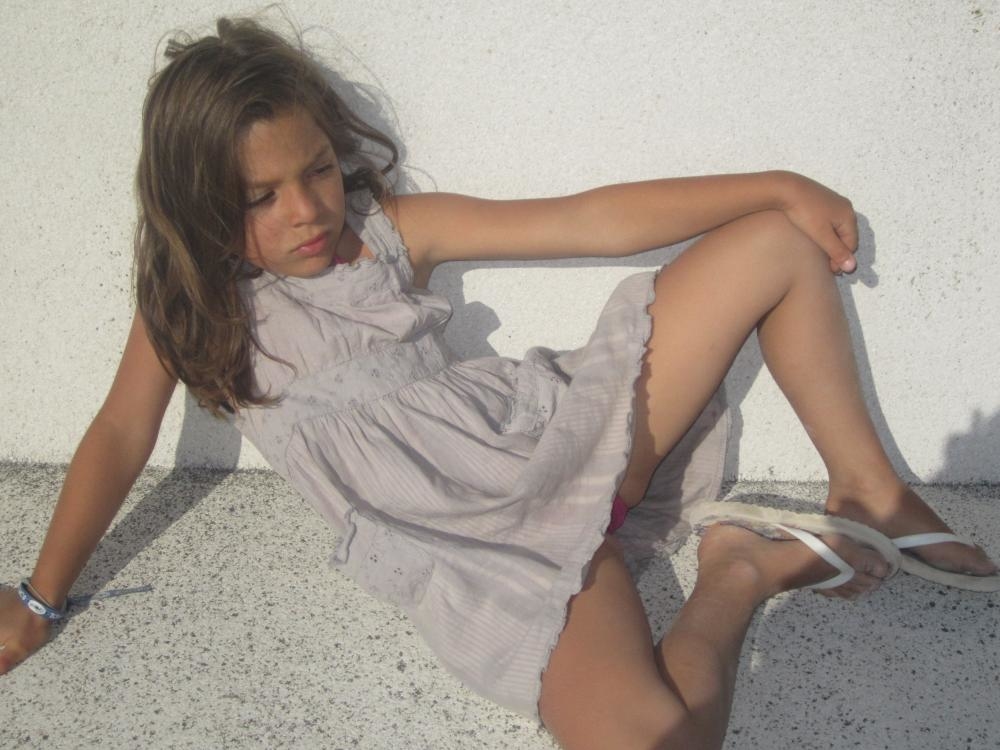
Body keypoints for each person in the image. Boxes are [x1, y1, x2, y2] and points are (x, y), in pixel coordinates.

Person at [0, 16, 996, 750]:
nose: (307, 209)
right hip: (487, 555)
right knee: (659, 743)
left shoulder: (385, 235)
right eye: (260, 195)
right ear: (195, 202)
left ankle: (866, 487)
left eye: (318, 170)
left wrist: (776, 182)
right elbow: (119, 434)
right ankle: (737, 569)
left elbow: (586, 219)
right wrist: (42, 601)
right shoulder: (193, 311)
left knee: (776, 241)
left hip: (568, 442)